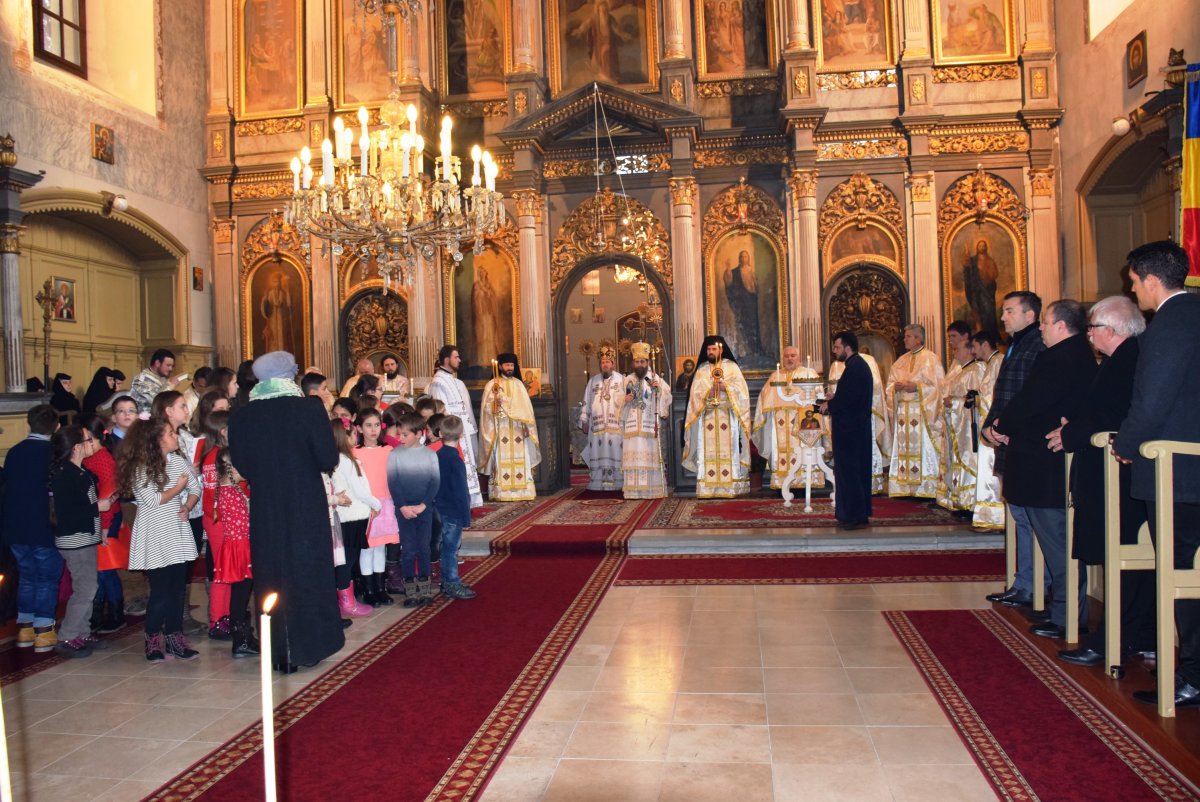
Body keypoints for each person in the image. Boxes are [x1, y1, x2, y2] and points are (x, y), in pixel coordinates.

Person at [1110, 242, 1200, 709]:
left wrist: (1125, 444)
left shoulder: (1166, 326)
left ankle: (1190, 675)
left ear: (1150, 279)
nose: (1131, 287)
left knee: (1180, 575)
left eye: (1133, 279)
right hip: (1191, 467)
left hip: (1177, 475)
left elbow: (1151, 401)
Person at [1047, 295, 1151, 667]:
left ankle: (1114, 640)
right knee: (1124, 560)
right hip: (1114, 473)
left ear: (1111, 330)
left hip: (1119, 475)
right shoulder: (1121, 360)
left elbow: (1113, 415)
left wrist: (1073, 433)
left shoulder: (1128, 361)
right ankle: (1131, 636)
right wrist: (1073, 426)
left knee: (1124, 558)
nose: (1089, 334)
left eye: (1093, 328)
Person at [227, 351, 344, 673]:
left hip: (266, 506)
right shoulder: (308, 408)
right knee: (307, 569)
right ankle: (309, 645)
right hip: (304, 502)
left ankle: (280, 650)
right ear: (290, 375)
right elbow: (326, 458)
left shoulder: (242, 415)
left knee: (272, 573)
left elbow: (243, 465)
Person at [992, 299, 1097, 639]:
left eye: (1046, 322)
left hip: (1045, 466)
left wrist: (1002, 423)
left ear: (1062, 326)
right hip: (1041, 463)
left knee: (1058, 543)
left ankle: (1068, 615)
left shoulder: (1061, 357)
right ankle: (1062, 611)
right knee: (1054, 542)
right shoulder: (1070, 355)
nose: (1041, 328)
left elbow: (1031, 400)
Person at [982, 291, 1046, 608]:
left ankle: (1033, 585)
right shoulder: (1017, 345)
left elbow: (1027, 397)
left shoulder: (1037, 346)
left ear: (1029, 315)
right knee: (1020, 515)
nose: (1003, 317)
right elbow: (1004, 392)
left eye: (1009, 311)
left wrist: (1002, 426)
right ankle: (1025, 583)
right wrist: (991, 423)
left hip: (1024, 443)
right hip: (1011, 439)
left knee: (1029, 518)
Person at [119, 417, 202, 662]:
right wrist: (177, 489)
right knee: (161, 590)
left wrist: (187, 505)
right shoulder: (141, 467)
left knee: (177, 589)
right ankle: (153, 637)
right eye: (169, 433)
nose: (175, 436)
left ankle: (175, 637)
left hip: (176, 529)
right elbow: (151, 500)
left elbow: (195, 487)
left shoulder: (177, 461)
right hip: (154, 530)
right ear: (157, 440)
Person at [2, 405, 63, 653]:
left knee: (27, 577)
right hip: (43, 526)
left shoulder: (15, 452)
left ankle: (25, 627)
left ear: (29, 424)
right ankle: (44, 631)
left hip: (16, 526)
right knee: (47, 578)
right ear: (56, 427)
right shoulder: (53, 453)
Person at [49, 425, 112, 657]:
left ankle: (82, 632)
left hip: (85, 538)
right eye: (87, 440)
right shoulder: (65, 475)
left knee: (88, 586)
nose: (91, 443)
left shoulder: (79, 471)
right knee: (85, 588)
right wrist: (99, 507)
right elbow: (69, 512)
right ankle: (67, 635)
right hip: (75, 540)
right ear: (76, 447)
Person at [682, 335, 752, 498]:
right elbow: (695, 395)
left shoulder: (732, 368)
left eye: (714, 349)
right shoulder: (702, 370)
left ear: (721, 349)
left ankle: (730, 488)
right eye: (708, 349)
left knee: (730, 451)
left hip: (728, 417)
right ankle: (708, 489)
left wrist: (725, 387)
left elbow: (742, 392)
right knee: (707, 452)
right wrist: (708, 393)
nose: (710, 352)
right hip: (707, 418)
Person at [820, 331, 873, 529]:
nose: (835, 352)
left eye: (837, 347)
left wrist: (829, 406)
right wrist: (835, 398)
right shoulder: (855, 366)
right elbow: (850, 395)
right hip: (855, 430)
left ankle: (852, 515)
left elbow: (850, 400)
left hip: (851, 432)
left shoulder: (855, 368)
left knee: (850, 473)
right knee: (855, 472)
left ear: (847, 347)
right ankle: (858, 513)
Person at [885, 324, 945, 498]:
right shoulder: (901, 360)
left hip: (922, 413)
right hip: (903, 413)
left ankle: (925, 488)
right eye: (905, 336)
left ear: (919, 339)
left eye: (909, 336)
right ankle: (904, 487)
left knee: (923, 447)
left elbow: (939, 387)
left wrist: (917, 387)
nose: (905, 339)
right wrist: (895, 387)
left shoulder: (931, 359)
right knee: (904, 448)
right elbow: (889, 385)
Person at [388, 413, 441, 607]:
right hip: (403, 509)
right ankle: (410, 591)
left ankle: (425, 589)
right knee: (408, 550)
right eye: (399, 434)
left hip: (424, 508)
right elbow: (393, 483)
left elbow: (435, 482)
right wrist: (402, 506)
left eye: (404, 435)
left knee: (424, 548)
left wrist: (423, 505)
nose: (399, 439)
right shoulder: (394, 455)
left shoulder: (430, 455)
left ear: (419, 433)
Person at [211, 448, 260, 657]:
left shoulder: (231, 490)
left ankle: (244, 636)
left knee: (242, 593)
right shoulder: (229, 492)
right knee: (240, 594)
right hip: (239, 547)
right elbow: (245, 524)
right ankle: (240, 639)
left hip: (239, 546)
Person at [752, 346, 819, 490]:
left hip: (801, 420)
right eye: (787, 356)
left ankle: (804, 482)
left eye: (793, 355)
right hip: (780, 422)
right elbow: (765, 397)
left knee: (802, 450)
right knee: (781, 451)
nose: (789, 358)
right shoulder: (776, 376)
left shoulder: (808, 373)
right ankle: (782, 483)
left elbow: (817, 396)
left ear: (799, 358)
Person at [936, 321, 985, 514]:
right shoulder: (961, 370)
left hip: (968, 430)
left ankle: (969, 502)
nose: (954, 353)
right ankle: (957, 499)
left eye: (958, 349)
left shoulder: (977, 370)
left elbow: (976, 399)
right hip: (956, 428)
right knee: (955, 464)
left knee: (968, 464)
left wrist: (953, 403)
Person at [479, 352, 541, 502]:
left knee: (521, 459)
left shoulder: (519, 384)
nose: (509, 368)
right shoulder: (492, 385)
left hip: (518, 430)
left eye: (512, 365)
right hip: (501, 430)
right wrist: (494, 404)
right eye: (507, 365)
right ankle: (501, 492)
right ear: (500, 366)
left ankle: (523, 491)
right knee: (501, 459)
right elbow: (486, 412)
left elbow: (527, 409)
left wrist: (527, 426)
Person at [330, 419, 377, 617]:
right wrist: (377, 505)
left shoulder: (335, 460)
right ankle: (347, 603)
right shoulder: (347, 461)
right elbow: (360, 490)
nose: (356, 436)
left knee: (345, 560)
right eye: (353, 433)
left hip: (345, 516)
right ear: (345, 437)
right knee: (347, 561)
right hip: (353, 516)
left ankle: (345, 600)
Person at [828, 348, 890, 493]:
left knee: (861, 449)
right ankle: (849, 487)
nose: (834, 351)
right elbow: (833, 386)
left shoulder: (867, 361)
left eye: (837, 347)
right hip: (842, 414)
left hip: (862, 412)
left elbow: (874, 385)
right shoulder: (836, 365)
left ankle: (869, 484)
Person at [428, 345, 484, 507]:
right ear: (446, 360)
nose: (459, 360)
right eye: (456, 357)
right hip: (452, 430)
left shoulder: (451, 379)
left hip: (460, 429)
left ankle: (468, 500)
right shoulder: (438, 382)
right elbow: (440, 410)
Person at [354, 408, 398, 604]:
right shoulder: (355, 452)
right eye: (368, 426)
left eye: (376, 425)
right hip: (366, 505)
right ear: (359, 429)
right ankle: (369, 590)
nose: (373, 430)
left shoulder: (388, 450)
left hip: (386, 503)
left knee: (381, 548)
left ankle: (380, 588)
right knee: (367, 549)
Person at [620, 342, 673, 499]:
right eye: (636, 362)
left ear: (648, 362)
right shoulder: (627, 380)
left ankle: (651, 490)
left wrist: (658, 391)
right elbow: (618, 402)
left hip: (649, 426)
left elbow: (667, 397)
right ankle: (633, 492)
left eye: (642, 361)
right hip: (631, 428)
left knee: (649, 457)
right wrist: (625, 399)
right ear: (633, 363)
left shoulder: (655, 379)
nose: (639, 364)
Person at [434, 415, 476, 599]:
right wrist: (466, 516)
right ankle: (451, 582)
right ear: (461, 434)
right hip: (453, 511)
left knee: (445, 547)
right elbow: (461, 490)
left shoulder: (437, 456)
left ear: (440, 433)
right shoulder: (456, 460)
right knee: (451, 549)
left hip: (439, 508)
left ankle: (447, 581)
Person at [969, 331, 1006, 530]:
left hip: (993, 428)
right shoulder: (991, 364)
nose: (972, 351)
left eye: (974, 346)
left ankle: (996, 518)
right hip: (986, 426)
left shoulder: (999, 362)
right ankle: (988, 517)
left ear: (984, 345)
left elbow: (995, 398)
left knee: (991, 472)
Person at [579, 346, 625, 491]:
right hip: (597, 427)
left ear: (613, 363)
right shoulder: (593, 381)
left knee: (616, 453)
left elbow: (627, 401)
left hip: (616, 426)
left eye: (607, 362)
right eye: (602, 362)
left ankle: (618, 483)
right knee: (597, 453)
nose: (605, 365)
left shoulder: (622, 380)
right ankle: (597, 483)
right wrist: (584, 420)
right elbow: (586, 400)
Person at [962, 239, 1000, 336]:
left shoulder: (990, 260)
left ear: (986, 247)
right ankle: (980, 333)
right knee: (977, 311)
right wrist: (966, 254)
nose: (981, 248)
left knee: (988, 312)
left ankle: (990, 334)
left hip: (987, 291)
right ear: (977, 248)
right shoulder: (973, 260)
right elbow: (967, 266)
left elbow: (995, 274)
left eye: (983, 246)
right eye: (980, 246)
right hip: (976, 291)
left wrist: (987, 276)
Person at [130, 349, 182, 416]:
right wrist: (170, 387)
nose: (171, 369)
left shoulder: (162, 379)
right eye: (168, 365)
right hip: (145, 422)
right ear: (157, 363)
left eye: (172, 366)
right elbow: (154, 401)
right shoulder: (141, 380)